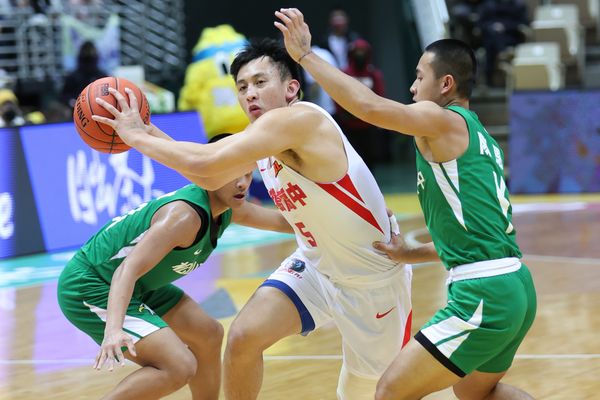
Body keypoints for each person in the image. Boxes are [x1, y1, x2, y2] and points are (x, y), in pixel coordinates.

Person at [91, 38, 413, 400]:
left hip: (370, 280)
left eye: (261, 83)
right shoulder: (261, 140)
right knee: (244, 337)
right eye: (242, 87)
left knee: (367, 393)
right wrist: (148, 131)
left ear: (291, 88)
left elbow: (205, 164)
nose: (250, 94)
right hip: (316, 265)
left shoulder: (300, 121)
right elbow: (213, 179)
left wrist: (135, 137)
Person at [274, 8, 536, 400]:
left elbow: (371, 108)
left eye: (418, 77)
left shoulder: (443, 119)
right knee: (477, 394)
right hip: (514, 284)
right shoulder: (480, 137)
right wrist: (411, 252)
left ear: (446, 84)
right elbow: (477, 236)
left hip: (483, 294)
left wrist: (307, 57)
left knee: (390, 391)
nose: (413, 89)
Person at [57, 133, 293, 400]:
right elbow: (127, 270)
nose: (242, 183)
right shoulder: (184, 217)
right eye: (232, 174)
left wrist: (329, 221)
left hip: (140, 285)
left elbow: (285, 222)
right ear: (211, 172)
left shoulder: (228, 208)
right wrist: (114, 330)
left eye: (248, 174)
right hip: (92, 284)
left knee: (208, 334)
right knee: (178, 366)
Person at [336, 38, 386, 168]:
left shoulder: (373, 74)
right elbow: (337, 95)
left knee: (370, 161)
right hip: (349, 126)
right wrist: (344, 114)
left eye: (363, 51)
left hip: (369, 126)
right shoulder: (344, 73)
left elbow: (380, 95)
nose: (360, 54)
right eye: (357, 51)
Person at [60, 40, 108, 109]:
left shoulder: (102, 76)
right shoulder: (73, 76)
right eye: (86, 52)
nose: (88, 53)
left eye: (91, 51)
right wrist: (71, 101)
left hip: (98, 109)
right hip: (78, 110)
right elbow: (64, 95)